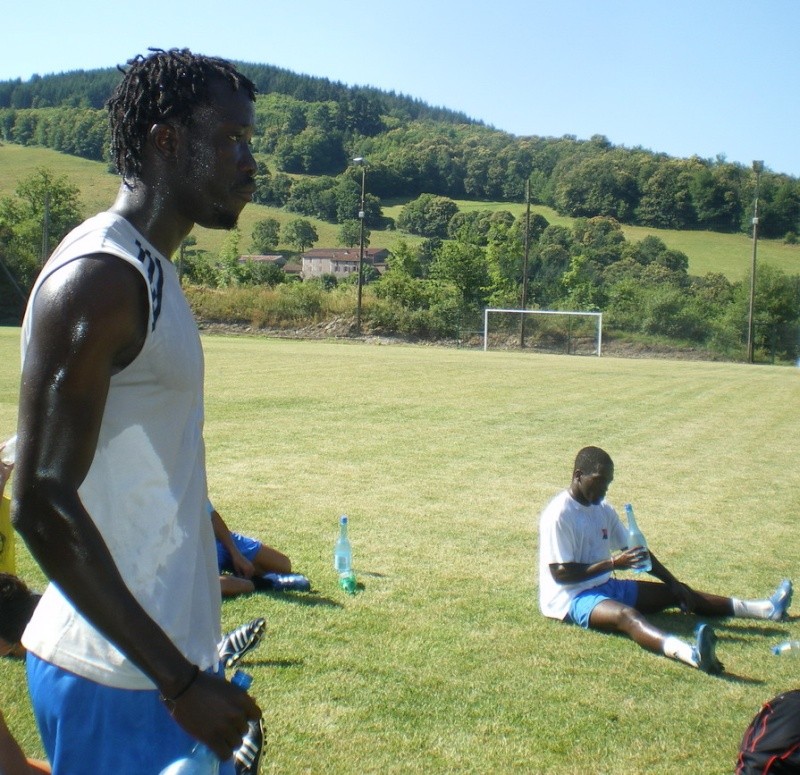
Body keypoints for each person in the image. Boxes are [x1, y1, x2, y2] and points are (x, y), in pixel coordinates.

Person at [10, 48, 261, 774]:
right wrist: (178, 681)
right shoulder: (102, 278)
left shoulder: (153, 271)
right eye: (233, 139)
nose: (250, 162)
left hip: (154, 670)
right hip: (117, 677)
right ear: (167, 141)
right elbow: (40, 499)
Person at [538, 446, 792, 674]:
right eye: (600, 481)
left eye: (609, 482)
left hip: (605, 586)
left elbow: (638, 552)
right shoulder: (560, 514)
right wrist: (614, 564)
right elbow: (561, 573)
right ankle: (691, 654)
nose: (605, 488)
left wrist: (673, 582)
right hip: (570, 598)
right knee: (628, 616)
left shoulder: (604, 510)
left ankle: (766, 610)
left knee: (678, 593)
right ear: (578, 475)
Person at [210, 500, 295, 596]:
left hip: (216, 537)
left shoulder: (194, 488)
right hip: (198, 549)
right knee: (208, 585)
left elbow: (211, 514)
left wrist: (236, 554)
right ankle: (261, 583)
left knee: (283, 564)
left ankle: (239, 574)